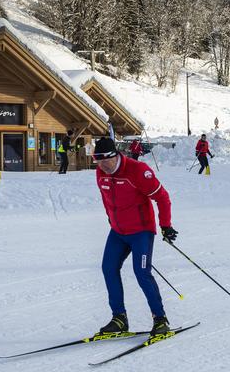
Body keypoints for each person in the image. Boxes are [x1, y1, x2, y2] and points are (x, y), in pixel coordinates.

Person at [92, 136, 177, 338]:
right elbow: (106, 199)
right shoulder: (100, 172)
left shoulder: (137, 170)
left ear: (115, 155)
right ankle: (119, 318)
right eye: (98, 161)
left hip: (141, 231)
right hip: (118, 232)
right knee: (108, 269)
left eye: (106, 161)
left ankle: (160, 319)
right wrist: (111, 220)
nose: (102, 166)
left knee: (141, 273)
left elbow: (162, 197)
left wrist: (165, 225)